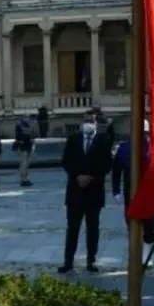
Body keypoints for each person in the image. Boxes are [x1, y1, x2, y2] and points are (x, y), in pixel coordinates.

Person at [59, 111, 112, 273]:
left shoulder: (103, 140)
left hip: (94, 192)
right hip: (75, 192)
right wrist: (77, 176)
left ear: (96, 123)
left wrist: (92, 178)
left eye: (91, 120)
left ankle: (91, 260)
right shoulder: (73, 139)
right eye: (85, 120)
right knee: (72, 228)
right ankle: (68, 262)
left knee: (93, 228)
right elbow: (66, 161)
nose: (88, 123)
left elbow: (107, 164)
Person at [112, 119, 154, 245]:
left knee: (150, 226)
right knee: (132, 223)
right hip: (131, 191)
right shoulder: (124, 148)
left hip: (150, 193)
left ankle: (147, 251)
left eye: (145, 133)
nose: (143, 136)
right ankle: (134, 251)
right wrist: (116, 190)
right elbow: (116, 171)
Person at [12, 116, 35, 187]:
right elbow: (30, 136)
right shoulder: (26, 125)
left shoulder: (21, 125)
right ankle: (24, 179)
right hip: (24, 147)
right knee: (24, 164)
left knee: (25, 164)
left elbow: (30, 136)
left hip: (25, 146)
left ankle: (25, 179)